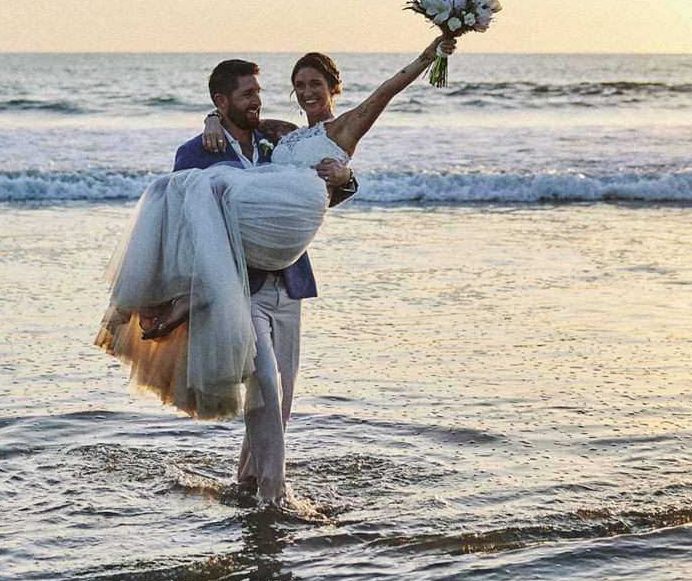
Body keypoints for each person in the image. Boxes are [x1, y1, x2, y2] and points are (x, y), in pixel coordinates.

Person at [95, 35, 452, 509]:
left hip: (290, 282)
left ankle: (247, 481)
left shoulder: (273, 137)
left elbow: (314, 180)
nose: (258, 103)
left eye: (260, 94)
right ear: (222, 101)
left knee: (280, 398)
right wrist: (210, 123)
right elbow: (182, 226)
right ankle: (273, 493)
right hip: (237, 287)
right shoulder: (197, 152)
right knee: (263, 383)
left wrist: (347, 179)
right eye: (247, 95)